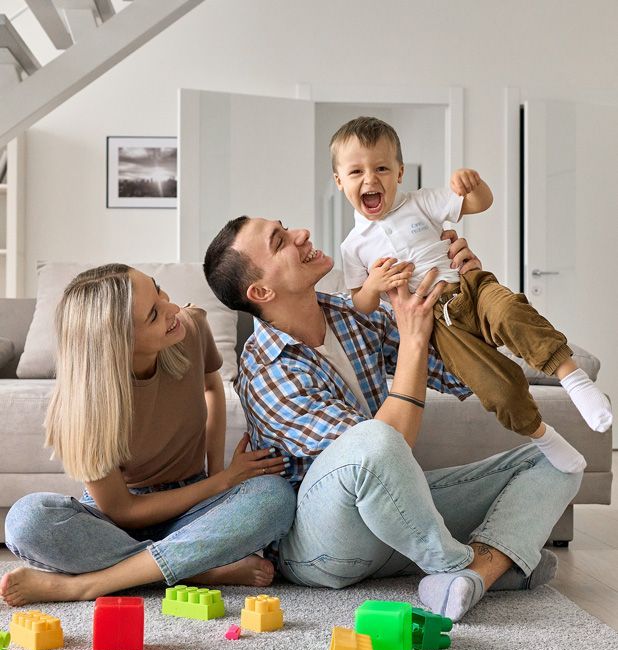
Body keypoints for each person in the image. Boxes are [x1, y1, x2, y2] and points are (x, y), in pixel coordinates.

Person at [203, 216, 583, 622]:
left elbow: (463, 374)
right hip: (321, 544)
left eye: (287, 227)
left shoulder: (352, 315)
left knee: (558, 460)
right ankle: (464, 564)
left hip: (395, 520)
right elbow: (383, 448)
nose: (301, 235)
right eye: (280, 241)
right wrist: (414, 340)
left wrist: (471, 293)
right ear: (261, 290)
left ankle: (480, 571)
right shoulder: (265, 370)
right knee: (373, 440)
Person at [1, 264, 295, 607]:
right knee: (26, 520)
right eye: (154, 315)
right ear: (118, 345)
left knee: (275, 496)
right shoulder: (83, 408)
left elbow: (212, 387)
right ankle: (194, 569)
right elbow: (123, 511)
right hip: (116, 523)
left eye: (159, 291)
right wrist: (220, 483)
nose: (173, 309)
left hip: (191, 504)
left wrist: (218, 474)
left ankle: (91, 582)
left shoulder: (190, 327)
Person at [330, 116, 612, 474]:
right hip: (439, 325)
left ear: (399, 173)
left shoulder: (422, 202)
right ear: (339, 182)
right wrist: (372, 285)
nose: (370, 179)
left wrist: (473, 184)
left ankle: (573, 379)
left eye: (382, 168)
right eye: (356, 172)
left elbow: (480, 203)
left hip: (469, 287)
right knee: (493, 385)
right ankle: (544, 437)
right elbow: (360, 302)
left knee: (512, 312)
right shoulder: (353, 246)